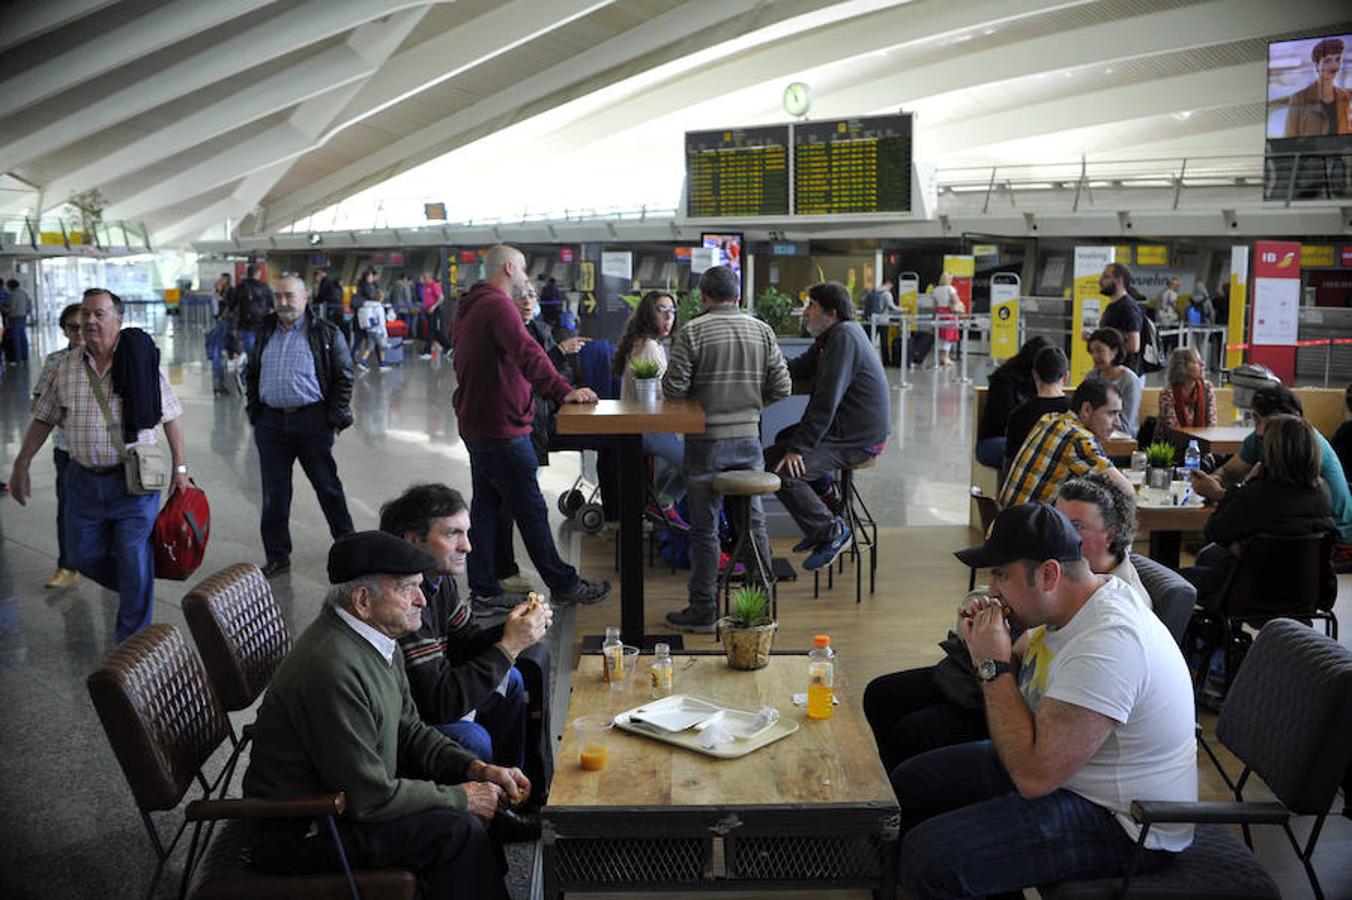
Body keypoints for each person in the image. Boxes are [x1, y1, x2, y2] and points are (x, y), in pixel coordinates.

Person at [893, 503, 1196, 899]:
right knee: (909, 785)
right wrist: (990, 640)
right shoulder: (1069, 605)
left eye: (1002, 575)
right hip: (1067, 769)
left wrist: (991, 665)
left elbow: (1034, 778)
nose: (992, 588)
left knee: (930, 860)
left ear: (1049, 574)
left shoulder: (1109, 642)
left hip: (1126, 821)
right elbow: (1021, 666)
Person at [241, 531, 521, 898]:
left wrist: (475, 770)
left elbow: (409, 731)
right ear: (362, 600)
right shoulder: (333, 668)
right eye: (408, 589)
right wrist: (461, 797)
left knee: (464, 812)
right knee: (456, 829)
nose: (422, 599)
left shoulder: (377, 640)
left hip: (346, 804)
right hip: (303, 829)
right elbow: (369, 798)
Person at [863, 473, 1146, 775]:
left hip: (1043, 736)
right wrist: (982, 643)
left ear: (1111, 535)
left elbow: (1039, 769)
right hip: (1020, 693)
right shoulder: (1064, 593)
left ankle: (892, 804)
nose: (1061, 534)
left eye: (1075, 527)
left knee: (915, 744)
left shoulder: (1112, 622)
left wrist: (991, 663)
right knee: (882, 694)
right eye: (1059, 520)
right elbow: (1018, 653)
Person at [8, 288, 190, 642]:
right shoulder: (67, 366)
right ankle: (134, 585)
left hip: (133, 481)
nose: (89, 321)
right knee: (81, 554)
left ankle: (131, 646)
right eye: (85, 315)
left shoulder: (139, 359)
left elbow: (171, 416)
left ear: (118, 321)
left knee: (134, 556)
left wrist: (180, 468)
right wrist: (22, 462)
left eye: (98, 314)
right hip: (84, 481)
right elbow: (44, 417)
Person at [380, 484, 551, 841]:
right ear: (414, 540)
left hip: (430, 698)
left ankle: (509, 794)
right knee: (472, 738)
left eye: (467, 532)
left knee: (514, 681)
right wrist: (509, 645)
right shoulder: (402, 599)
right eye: (453, 534)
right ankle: (485, 818)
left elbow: (466, 639)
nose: (467, 547)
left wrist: (513, 629)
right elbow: (440, 704)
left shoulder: (439, 580)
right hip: (403, 723)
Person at [452, 244, 610, 609]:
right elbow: (528, 353)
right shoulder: (496, 305)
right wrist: (564, 390)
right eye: (523, 271)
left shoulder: (469, 305)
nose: (526, 279)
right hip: (501, 427)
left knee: (487, 507)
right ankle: (564, 584)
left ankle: (485, 589)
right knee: (530, 508)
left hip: (478, 421)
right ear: (509, 267)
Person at [661, 265, 791, 632]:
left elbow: (673, 389)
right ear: (739, 297)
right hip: (749, 441)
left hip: (705, 443)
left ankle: (703, 610)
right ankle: (759, 606)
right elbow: (782, 386)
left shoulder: (693, 331)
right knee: (754, 523)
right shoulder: (762, 330)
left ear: (703, 297)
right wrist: (751, 408)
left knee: (705, 531)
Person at [765, 282, 889, 571]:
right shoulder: (831, 337)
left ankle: (831, 531)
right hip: (846, 429)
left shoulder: (844, 338)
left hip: (858, 438)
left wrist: (799, 449)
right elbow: (797, 367)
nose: (805, 312)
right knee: (782, 441)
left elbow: (825, 401)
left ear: (831, 313)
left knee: (783, 470)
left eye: (811, 306)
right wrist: (765, 361)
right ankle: (830, 506)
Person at [245, 275, 355, 577]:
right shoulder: (265, 331)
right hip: (270, 423)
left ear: (305, 298)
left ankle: (350, 549)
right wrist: (255, 412)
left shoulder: (326, 332)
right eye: (278, 296)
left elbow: (345, 376)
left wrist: (332, 418)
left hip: (312, 421)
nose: (283, 302)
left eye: (289, 296)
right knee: (274, 494)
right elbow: (252, 372)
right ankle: (278, 556)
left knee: (328, 487)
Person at [1184, 415, 1335, 607]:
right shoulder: (1323, 492)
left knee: (1172, 581)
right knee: (1212, 556)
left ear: (1272, 451)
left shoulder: (1258, 495)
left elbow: (1214, 532)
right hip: (1309, 593)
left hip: (1251, 592)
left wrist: (1245, 484)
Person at [1191, 384, 1352, 546]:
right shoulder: (1261, 439)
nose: (1260, 430)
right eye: (1256, 420)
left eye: (1268, 424)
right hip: (1297, 540)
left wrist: (1223, 493)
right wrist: (1213, 480)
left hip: (1331, 538)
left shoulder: (1304, 449)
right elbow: (1229, 472)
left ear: (1295, 418)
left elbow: (1278, 507)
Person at [1000, 379, 1134, 507]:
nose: (1118, 423)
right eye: (1112, 414)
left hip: (1007, 523)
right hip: (1028, 529)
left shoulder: (1050, 419)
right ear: (1086, 410)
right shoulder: (1078, 440)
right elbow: (1127, 492)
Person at [613, 290, 685, 519]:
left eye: (672, 311)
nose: (668, 317)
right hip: (646, 427)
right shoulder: (649, 347)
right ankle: (663, 503)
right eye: (661, 311)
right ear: (647, 314)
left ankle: (661, 505)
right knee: (699, 462)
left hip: (641, 425)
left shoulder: (643, 343)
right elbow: (657, 398)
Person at [31, 303, 85, 589]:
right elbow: (37, 401)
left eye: (82, 325)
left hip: (103, 451)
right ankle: (67, 565)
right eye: (71, 327)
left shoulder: (109, 358)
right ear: (64, 329)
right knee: (67, 506)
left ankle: (109, 560)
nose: (78, 332)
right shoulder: (55, 361)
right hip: (66, 448)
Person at [976, 336, 1051, 469]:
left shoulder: (1042, 382)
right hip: (996, 439)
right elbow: (1008, 419)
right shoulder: (1003, 380)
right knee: (1031, 452)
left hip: (1028, 438)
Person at [1003, 346, 1071, 470]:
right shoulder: (1074, 411)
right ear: (1066, 377)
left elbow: (1010, 464)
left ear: (1034, 374)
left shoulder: (1018, 415)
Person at [1282, 37, 1351, 137]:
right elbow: (1289, 138)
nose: (1334, 65)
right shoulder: (1299, 98)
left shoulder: (1344, 96)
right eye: (1327, 61)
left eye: (1337, 59)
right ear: (1316, 65)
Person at [1084, 327, 1142, 437]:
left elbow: (1125, 424)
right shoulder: (1091, 376)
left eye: (1099, 350)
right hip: (1092, 434)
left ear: (1115, 350)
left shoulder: (1130, 381)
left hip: (1122, 437)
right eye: (1092, 352)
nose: (1095, 356)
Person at [1091, 263, 1144, 374]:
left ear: (1119, 280)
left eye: (1106, 277)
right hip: (1109, 371)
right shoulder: (1112, 306)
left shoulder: (1128, 307)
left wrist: (1106, 347)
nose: (1101, 281)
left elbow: (1134, 345)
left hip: (1123, 373)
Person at [1158, 346, 1216, 429]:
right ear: (1182, 367)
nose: (1203, 364)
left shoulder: (1207, 388)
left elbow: (1211, 424)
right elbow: (1173, 429)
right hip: (1172, 441)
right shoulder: (1168, 393)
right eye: (1196, 362)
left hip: (1202, 439)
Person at [231, 262, 274, 361]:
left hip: (246, 324)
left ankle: (250, 370)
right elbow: (272, 304)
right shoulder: (264, 287)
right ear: (258, 273)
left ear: (247, 273)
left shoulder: (241, 287)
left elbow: (233, 304)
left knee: (250, 351)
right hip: (262, 323)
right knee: (262, 350)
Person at [932, 272, 963, 368]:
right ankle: (946, 358)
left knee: (940, 335)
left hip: (939, 313)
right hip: (948, 314)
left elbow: (935, 304)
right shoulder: (950, 289)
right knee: (948, 336)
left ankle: (941, 357)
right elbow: (956, 301)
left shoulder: (936, 289)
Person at [3, 279, 30, 363]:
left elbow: (12, 308)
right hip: (23, 317)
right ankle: (25, 356)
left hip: (15, 318)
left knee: (16, 339)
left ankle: (18, 358)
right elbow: (28, 307)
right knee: (23, 338)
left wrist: (3, 309)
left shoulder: (14, 295)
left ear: (11, 286)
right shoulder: (24, 294)